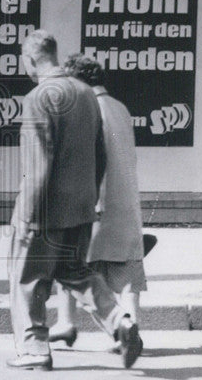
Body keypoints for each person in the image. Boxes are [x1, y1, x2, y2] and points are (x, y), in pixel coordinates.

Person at [7, 30, 142, 371]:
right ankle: (119, 322)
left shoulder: (38, 97)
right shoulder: (85, 94)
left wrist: (26, 216)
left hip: (46, 211)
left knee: (27, 278)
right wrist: (90, 199)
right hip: (81, 208)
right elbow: (99, 155)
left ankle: (34, 347)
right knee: (76, 272)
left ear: (30, 59)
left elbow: (37, 165)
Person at [48, 53, 156, 352]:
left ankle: (66, 322)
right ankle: (131, 324)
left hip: (94, 202)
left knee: (70, 261)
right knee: (127, 272)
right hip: (126, 202)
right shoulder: (120, 107)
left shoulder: (84, 107)